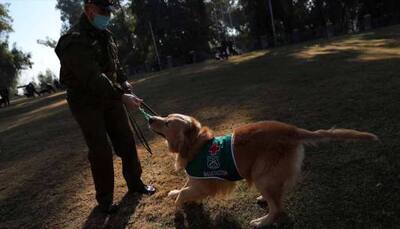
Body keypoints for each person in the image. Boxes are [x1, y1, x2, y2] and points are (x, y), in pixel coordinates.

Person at [55, 0, 155, 213]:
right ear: (90, 9)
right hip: (85, 101)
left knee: (126, 139)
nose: (108, 15)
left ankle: (135, 184)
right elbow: (92, 78)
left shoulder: (106, 35)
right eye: (104, 11)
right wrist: (121, 96)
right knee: (100, 149)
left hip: (110, 95)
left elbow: (115, 66)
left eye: (110, 11)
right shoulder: (73, 41)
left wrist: (125, 84)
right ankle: (105, 201)